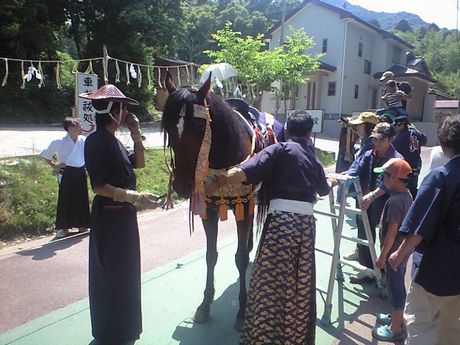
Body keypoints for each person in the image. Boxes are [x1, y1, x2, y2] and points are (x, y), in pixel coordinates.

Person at [206, 111, 331, 344]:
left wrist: (219, 180)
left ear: (288, 132)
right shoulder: (313, 158)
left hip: (280, 225)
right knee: (299, 283)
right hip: (305, 227)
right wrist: (331, 182)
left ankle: (264, 335)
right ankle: (293, 337)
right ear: (309, 133)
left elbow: (245, 171)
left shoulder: (278, 149)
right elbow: (323, 190)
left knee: (268, 282)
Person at [80, 84, 159, 345]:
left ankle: (126, 329)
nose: (126, 113)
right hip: (109, 217)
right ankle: (109, 332)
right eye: (124, 108)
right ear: (114, 110)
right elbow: (99, 186)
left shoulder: (113, 141)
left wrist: (136, 133)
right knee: (110, 274)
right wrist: (134, 197)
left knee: (126, 272)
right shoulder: (95, 141)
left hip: (124, 218)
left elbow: (139, 162)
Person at [388, 115, 460, 345]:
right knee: (451, 331)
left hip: (436, 270)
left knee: (422, 324)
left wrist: (399, 254)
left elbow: (420, 226)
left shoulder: (442, 176)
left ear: (443, 142)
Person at [345, 122, 403, 282]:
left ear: (390, 140)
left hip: (389, 203)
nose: (376, 142)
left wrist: (373, 195)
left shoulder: (397, 159)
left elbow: (391, 182)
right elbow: (355, 169)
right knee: (364, 234)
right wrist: (339, 180)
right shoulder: (369, 153)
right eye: (374, 139)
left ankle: (387, 273)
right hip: (366, 201)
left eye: (380, 139)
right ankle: (368, 271)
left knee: (388, 238)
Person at [371, 158, 413, 342]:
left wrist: (382, 256)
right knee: (397, 285)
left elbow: (391, 233)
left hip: (393, 255)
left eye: (385, 176)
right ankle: (396, 317)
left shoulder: (395, 202)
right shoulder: (407, 196)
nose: (382, 180)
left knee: (395, 287)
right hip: (401, 253)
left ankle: (395, 328)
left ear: (395, 178)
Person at [40, 117, 90, 238]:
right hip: (66, 172)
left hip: (80, 171)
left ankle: (82, 224)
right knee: (65, 199)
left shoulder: (83, 140)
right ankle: (64, 227)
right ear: (70, 128)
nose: (80, 128)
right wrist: (54, 166)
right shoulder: (59, 141)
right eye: (78, 125)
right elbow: (45, 154)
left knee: (81, 198)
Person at [392, 116, 427, 199]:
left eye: (396, 125)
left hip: (405, 167)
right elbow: (424, 140)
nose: (394, 128)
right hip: (416, 165)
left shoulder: (398, 137)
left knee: (403, 191)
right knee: (413, 189)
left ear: (401, 125)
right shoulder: (415, 133)